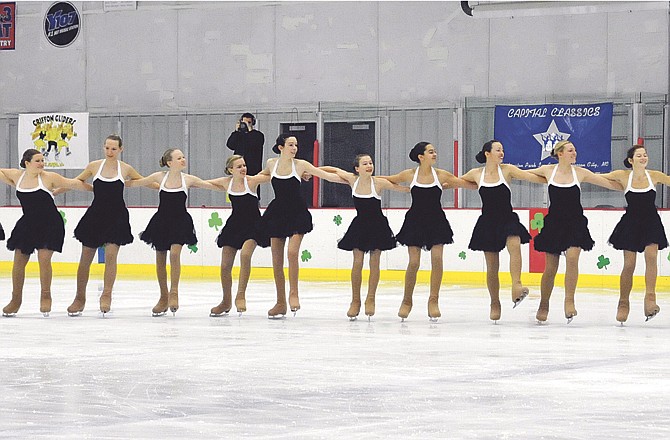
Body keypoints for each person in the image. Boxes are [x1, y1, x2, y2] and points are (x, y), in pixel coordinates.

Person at [527, 140, 622, 323]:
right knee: (551, 268)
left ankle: (569, 301)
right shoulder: (548, 171)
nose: (575, 153)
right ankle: (544, 303)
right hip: (554, 224)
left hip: (575, 223)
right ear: (560, 153)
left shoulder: (580, 172)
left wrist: (632, 183)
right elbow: (521, 174)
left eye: (575, 150)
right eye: (571, 150)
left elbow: (607, 183)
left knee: (572, 258)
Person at [56, 134, 150, 316]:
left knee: (111, 255)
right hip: (96, 216)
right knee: (85, 259)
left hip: (117, 217)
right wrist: (56, 190)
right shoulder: (94, 166)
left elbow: (143, 180)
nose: (110, 151)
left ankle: (106, 295)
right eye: (107, 148)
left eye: (114, 148)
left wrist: (164, 183)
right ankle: (79, 298)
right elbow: (77, 181)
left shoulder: (126, 169)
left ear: (121, 150)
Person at [384, 141, 476, 321]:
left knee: (437, 258)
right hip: (415, 221)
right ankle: (406, 300)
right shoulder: (409, 174)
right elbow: (387, 180)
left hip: (436, 221)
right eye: (431, 152)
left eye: (435, 152)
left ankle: (433, 300)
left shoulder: (441, 175)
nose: (435, 154)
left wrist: (482, 177)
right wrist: (394, 187)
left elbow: (467, 184)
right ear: (421, 156)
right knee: (414, 263)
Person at [258, 134, 344, 319]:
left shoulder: (301, 165)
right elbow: (262, 177)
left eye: (296, 145)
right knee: (276, 260)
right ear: (281, 147)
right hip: (277, 213)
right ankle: (280, 302)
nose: (294, 148)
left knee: (292, 253)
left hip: (296, 212)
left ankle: (293, 293)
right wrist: (239, 179)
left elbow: (326, 175)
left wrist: (352, 179)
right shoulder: (271, 163)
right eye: (290, 145)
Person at [126, 148, 220, 316]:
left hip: (180, 221)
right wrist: (114, 183)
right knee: (160, 257)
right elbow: (137, 182)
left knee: (175, 254)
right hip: (161, 221)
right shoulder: (159, 177)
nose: (183, 160)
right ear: (169, 162)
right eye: (179, 158)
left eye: (183, 157)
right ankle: (163, 297)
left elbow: (210, 185)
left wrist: (233, 182)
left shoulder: (188, 179)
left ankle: (174, 292)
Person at [461, 140, 546, 322]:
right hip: (488, 223)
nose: (502, 153)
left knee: (514, 246)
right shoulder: (476, 174)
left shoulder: (507, 170)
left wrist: (554, 177)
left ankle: (517, 285)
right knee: (492, 266)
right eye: (498, 150)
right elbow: (456, 182)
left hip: (507, 218)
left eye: (503, 150)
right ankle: (494, 302)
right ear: (487, 153)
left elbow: (530, 176)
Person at [0, 149, 92, 317]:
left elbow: (73, 183)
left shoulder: (49, 178)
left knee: (43, 259)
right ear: (27, 163)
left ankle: (45, 296)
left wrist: (97, 189)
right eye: (38, 160)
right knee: (19, 262)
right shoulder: (16, 176)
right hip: (28, 224)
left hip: (50, 224)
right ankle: (15, 300)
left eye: (43, 160)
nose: (42, 163)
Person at [319, 154, 408, 320]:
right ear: (357, 168)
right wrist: (312, 171)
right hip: (360, 226)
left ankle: (371, 298)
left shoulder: (379, 183)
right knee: (357, 262)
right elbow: (332, 172)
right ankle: (355, 301)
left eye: (371, 163)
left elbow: (401, 188)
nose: (369, 166)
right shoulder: (353, 180)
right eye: (365, 163)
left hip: (378, 226)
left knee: (374, 262)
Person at [601, 145, 670, 323]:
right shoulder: (622, 176)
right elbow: (596, 177)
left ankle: (650, 299)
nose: (643, 158)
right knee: (629, 264)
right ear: (631, 160)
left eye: (645, 155)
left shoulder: (655, 175)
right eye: (639, 155)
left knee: (651, 255)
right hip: (631, 223)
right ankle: (623, 302)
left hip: (651, 222)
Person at [206, 155, 270, 317]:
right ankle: (226, 301)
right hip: (234, 226)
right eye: (239, 166)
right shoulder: (226, 182)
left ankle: (240, 295)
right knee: (225, 265)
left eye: (244, 165)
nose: (243, 168)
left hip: (254, 225)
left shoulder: (252, 181)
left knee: (246, 255)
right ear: (230, 170)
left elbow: (273, 175)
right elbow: (202, 183)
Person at [226, 113, 265, 198]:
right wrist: (236, 131)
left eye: (249, 122)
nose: (245, 124)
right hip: (238, 170)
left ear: (253, 123)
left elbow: (254, 144)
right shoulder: (238, 135)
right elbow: (230, 145)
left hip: (253, 170)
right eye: (243, 122)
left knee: (252, 193)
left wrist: (249, 130)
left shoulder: (258, 135)